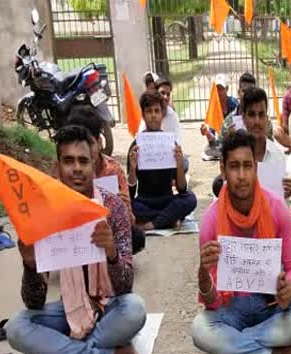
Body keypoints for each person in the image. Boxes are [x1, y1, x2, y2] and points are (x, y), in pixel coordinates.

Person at [5, 125, 147, 354]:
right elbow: (34, 302)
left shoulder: (112, 207)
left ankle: (66, 352)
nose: (77, 169)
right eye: (69, 161)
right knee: (16, 328)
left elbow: (125, 286)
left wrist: (111, 253)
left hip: (109, 306)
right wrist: (30, 265)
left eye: (84, 161)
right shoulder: (44, 213)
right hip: (70, 307)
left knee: (135, 310)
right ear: (57, 166)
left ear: (94, 165)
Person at [191, 131, 291, 354]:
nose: (241, 176)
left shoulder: (276, 207)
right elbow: (212, 303)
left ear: (256, 167)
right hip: (230, 310)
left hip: (270, 307)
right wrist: (202, 277)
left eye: (247, 166)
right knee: (199, 330)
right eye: (234, 167)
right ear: (222, 169)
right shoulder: (210, 220)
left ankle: (231, 350)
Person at [212, 87, 291, 253]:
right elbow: (226, 198)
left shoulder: (277, 155)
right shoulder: (235, 154)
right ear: (243, 118)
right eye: (251, 115)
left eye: (261, 115)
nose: (257, 121)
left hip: (269, 228)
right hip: (240, 228)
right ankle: (270, 259)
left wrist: (285, 193)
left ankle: (268, 259)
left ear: (267, 118)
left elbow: (280, 209)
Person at [66, 106, 146, 254]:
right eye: (78, 144)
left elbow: (128, 218)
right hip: (75, 231)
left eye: (88, 144)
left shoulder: (113, 170)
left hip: (106, 228)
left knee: (135, 237)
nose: (84, 150)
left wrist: (119, 205)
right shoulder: (65, 170)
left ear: (99, 142)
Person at [128, 90, 197, 231]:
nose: (153, 116)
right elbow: (129, 192)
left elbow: (182, 189)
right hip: (144, 201)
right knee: (125, 205)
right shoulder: (136, 145)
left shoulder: (171, 143)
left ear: (162, 114)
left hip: (167, 199)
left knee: (190, 199)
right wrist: (133, 168)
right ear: (143, 115)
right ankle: (168, 219)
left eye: (157, 111)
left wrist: (178, 164)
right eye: (149, 111)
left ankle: (151, 224)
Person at [200, 74, 240, 159]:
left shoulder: (234, 103)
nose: (219, 92)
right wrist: (206, 132)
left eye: (221, 89)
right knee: (208, 149)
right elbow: (212, 139)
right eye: (216, 89)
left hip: (234, 138)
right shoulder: (214, 107)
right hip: (221, 141)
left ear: (227, 89)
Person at [138, 76, 182, 144]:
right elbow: (141, 138)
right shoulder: (148, 113)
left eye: (168, 94)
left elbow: (178, 140)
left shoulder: (173, 116)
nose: (165, 97)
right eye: (162, 93)